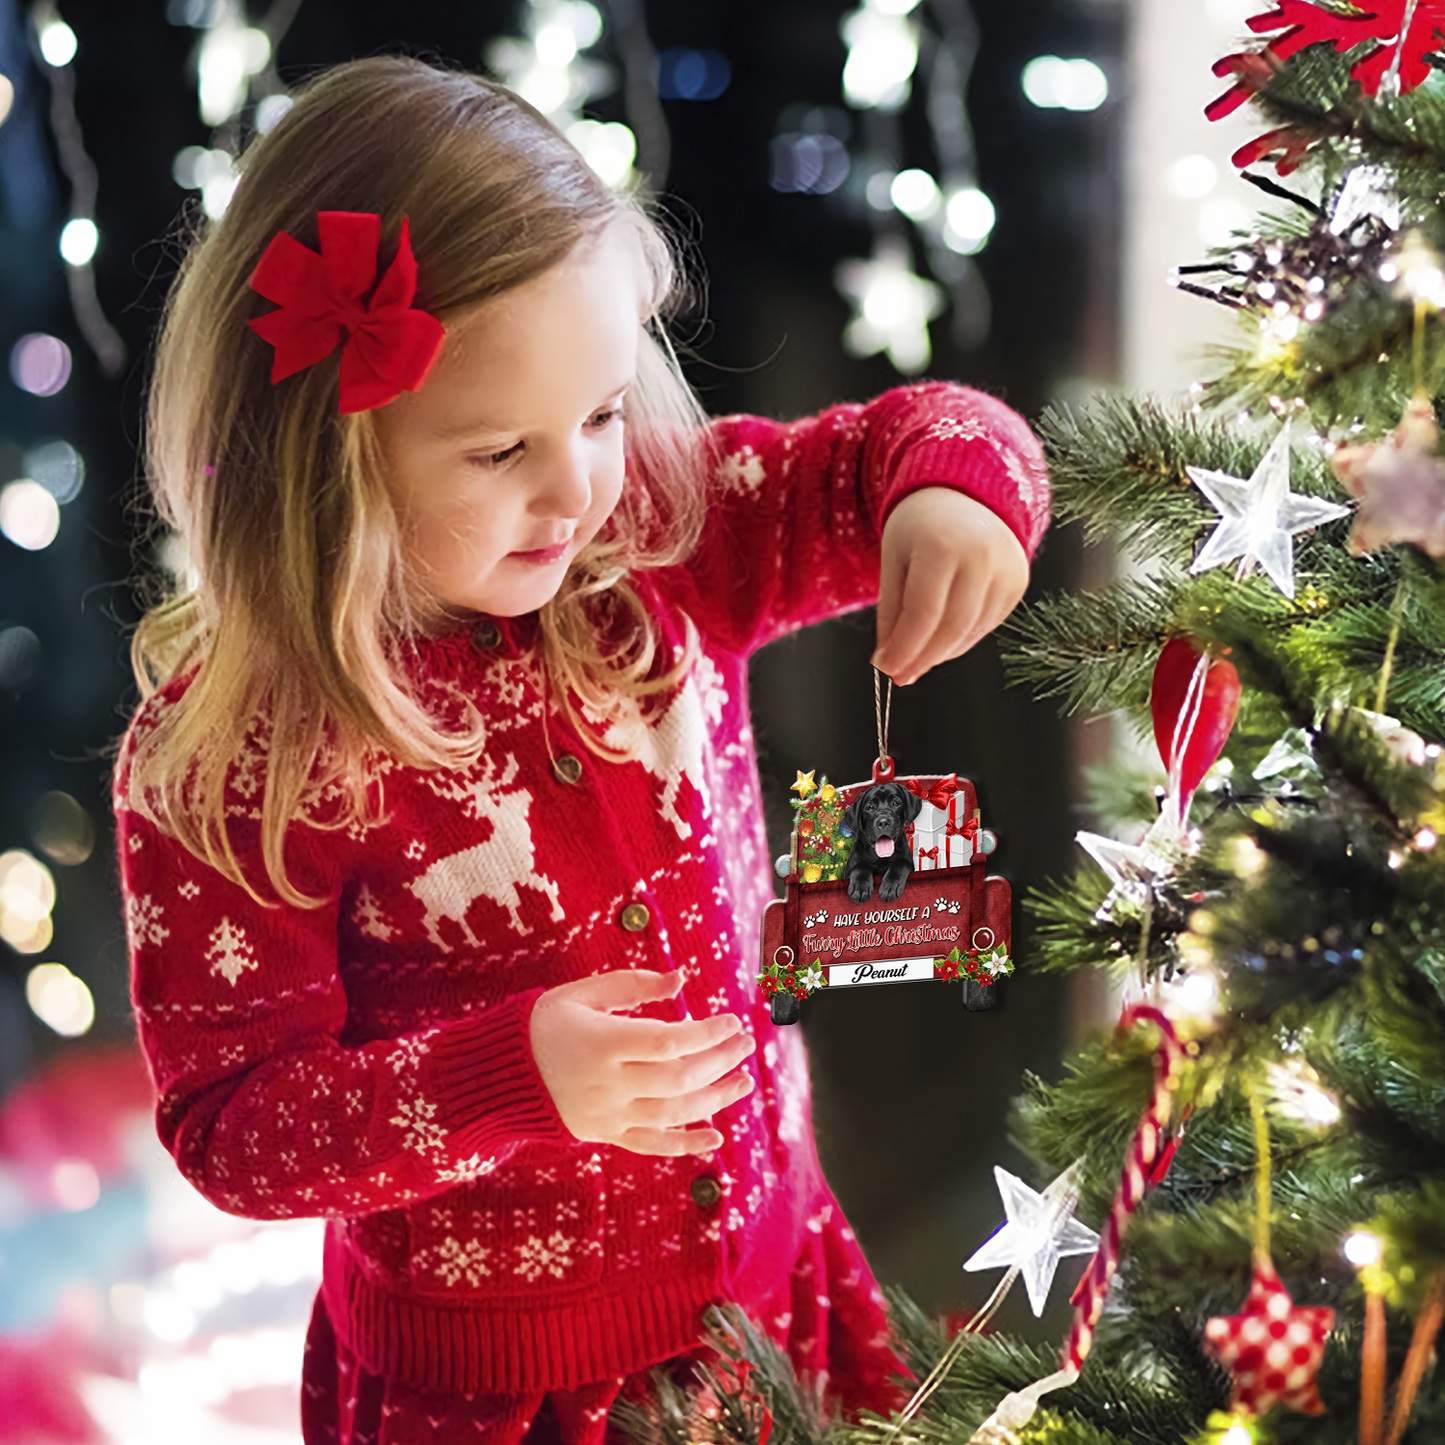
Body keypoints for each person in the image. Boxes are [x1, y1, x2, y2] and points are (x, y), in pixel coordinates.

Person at [115, 56, 1050, 1445]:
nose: (577, 488)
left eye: (605, 413)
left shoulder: (662, 542)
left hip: (767, 1283)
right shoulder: (238, 754)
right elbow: (232, 1129)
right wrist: (510, 1079)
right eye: (499, 452)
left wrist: (957, 496)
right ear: (321, 454)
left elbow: (907, 443)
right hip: (503, 1390)